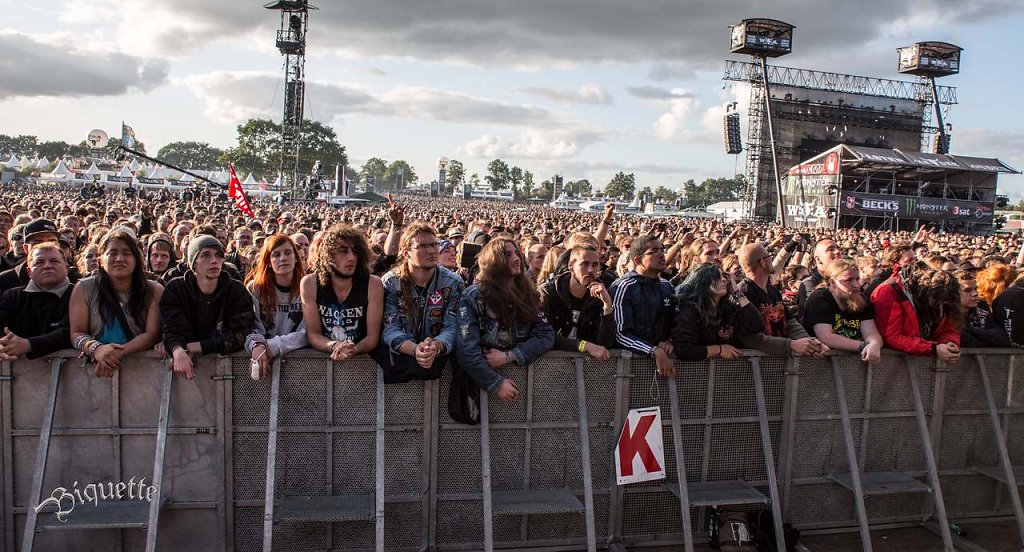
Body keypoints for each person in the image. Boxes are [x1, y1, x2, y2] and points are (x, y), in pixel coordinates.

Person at [456, 238, 554, 400]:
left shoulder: (528, 294)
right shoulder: (475, 296)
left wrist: (510, 356)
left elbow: (546, 335)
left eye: (516, 253)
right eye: (507, 255)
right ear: (494, 261)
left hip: (521, 384)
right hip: (480, 386)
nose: (516, 259)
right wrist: (495, 383)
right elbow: (467, 348)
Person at [375, 223, 463, 383]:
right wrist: (415, 349)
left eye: (434, 245)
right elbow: (389, 327)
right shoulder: (391, 282)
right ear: (406, 252)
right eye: (422, 246)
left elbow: (453, 326)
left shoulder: (453, 283)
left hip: (441, 371)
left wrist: (436, 346)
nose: (431, 251)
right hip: (399, 369)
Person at [70, 228, 163, 377]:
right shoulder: (83, 288)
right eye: (112, 253)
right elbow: (77, 333)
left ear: (137, 259)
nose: (119, 258)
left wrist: (115, 354)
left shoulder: (154, 290)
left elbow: (152, 334)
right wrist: (96, 349)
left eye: (126, 253)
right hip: (93, 373)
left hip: (143, 374)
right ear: (101, 259)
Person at [160, 235, 255, 379]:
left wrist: (201, 346)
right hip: (188, 375)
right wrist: (177, 349)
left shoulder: (236, 290)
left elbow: (241, 334)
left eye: (218, 255)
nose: (214, 261)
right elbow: (171, 328)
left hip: (229, 374)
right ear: (193, 263)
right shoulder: (176, 289)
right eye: (206, 255)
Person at [300, 224, 384, 363]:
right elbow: (313, 334)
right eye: (343, 251)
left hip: (362, 365)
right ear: (329, 254)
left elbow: (372, 337)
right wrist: (334, 346)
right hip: (321, 364)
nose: (351, 257)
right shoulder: (309, 284)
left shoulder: (373, 284)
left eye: (355, 251)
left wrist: (353, 350)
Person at [737, 242, 825, 357]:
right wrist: (790, 344)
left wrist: (809, 342)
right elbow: (749, 338)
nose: (772, 259)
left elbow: (789, 320)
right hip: (755, 366)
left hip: (779, 362)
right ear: (762, 263)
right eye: (769, 256)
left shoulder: (772, 290)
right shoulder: (743, 293)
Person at [611, 235, 676, 377]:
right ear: (638, 260)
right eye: (654, 251)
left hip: (662, 368)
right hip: (627, 369)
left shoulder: (667, 287)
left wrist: (668, 342)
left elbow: (675, 324)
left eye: (661, 250)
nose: (661, 255)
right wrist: (653, 350)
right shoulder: (624, 287)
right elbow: (620, 334)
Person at [671, 263, 766, 361]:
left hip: (726, 373)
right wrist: (719, 349)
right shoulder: (690, 311)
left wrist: (736, 292)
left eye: (724, 276)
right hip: (696, 373)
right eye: (717, 277)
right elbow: (683, 349)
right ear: (703, 282)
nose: (724, 280)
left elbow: (756, 325)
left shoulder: (728, 308)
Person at [244, 235, 308, 379]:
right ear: (268, 261)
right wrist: (257, 344)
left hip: (300, 364)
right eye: (276, 254)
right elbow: (250, 325)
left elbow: (309, 331)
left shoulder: (308, 287)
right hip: (263, 362)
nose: (283, 258)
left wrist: (274, 345)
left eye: (288, 253)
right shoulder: (255, 289)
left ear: (296, 257)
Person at [870, 263, 962, 361]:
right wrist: (932, 348)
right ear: (924, 292)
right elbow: (891, 337)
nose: (941, 304)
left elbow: (949, 328)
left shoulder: (945, 295)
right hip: (892, 362)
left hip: (923, 361)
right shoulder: (889, 292)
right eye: (938, 302)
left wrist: (949, 343)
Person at [538, 244, 615, 360]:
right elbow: (545, 335)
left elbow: (605, 344)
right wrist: (583, 345)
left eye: (595, 265)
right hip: (551, 365)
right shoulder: (549, 292)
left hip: (587, 367)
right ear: (571, 265)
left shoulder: (601, 294)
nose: (590, 270)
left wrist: (607, 307)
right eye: (584, 264)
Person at [0, 242, 74, 360]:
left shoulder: (79, 294)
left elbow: (73, 332)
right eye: (39, 262)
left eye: (54, 261)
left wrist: (29, 345)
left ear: (66, 268)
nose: (47, 266)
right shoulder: (12, 296)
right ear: (29, 271)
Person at [802, 259, 883, 364]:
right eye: (849, 280)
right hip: (819, 365)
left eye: (857, 279)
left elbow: (871, 333)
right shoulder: (819, 298)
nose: (856, 285)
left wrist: (874, 344)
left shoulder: (861, 299)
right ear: (832, 283)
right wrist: (864, 346)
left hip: (850, 365)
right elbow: (826, 337)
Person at [956, 269, 1009, 348]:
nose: (975, 294)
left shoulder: (980, 305)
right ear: (954, 293)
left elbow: (1002, 338)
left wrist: (969, 330)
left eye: (976, 289)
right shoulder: (944, 312)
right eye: (967, 290)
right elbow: (964, 341)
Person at [796, 238, 843, 318]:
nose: (838, 252)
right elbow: (816, 312)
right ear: (818, 259)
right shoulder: (809, 284)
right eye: (831, 249)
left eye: (839, 248)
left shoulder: (847, 280)